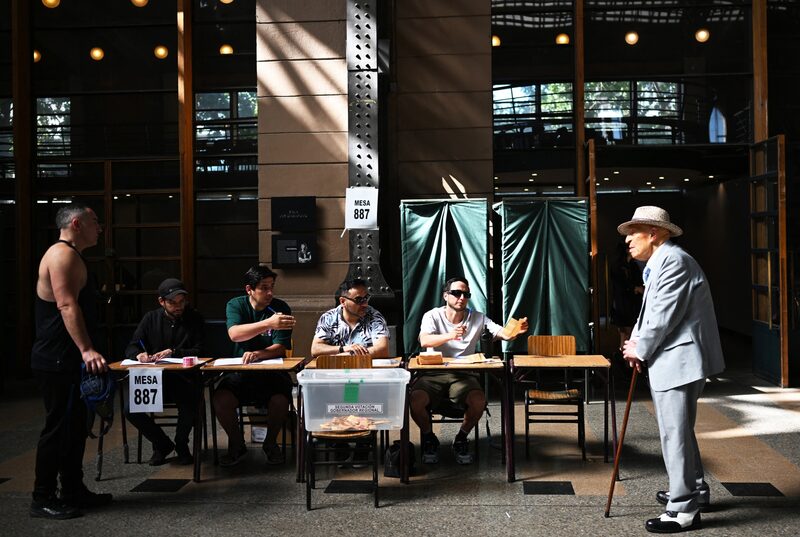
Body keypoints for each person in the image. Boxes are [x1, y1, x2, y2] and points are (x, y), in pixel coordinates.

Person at [618, 206, 725, 534]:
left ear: (653, 233)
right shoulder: (661, 262)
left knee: (674, 434)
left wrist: (640, 348)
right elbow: (648, 313)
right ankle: (694, 489)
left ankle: (682, 508)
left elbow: (664, 316)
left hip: (680, 361)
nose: (628, 242)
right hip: (674, 360)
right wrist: (636, 342)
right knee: (681, 431)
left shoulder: (674, 261)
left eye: (633, 234)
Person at [30, 202, 112, 519]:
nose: (100, 227)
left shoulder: (74, 256)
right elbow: (66, 306)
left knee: (76, 427)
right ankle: (42, 497)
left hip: (69, 360)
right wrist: (87, 350)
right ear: (77, 224)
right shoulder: (61, 255)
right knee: (58, 428)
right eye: (95, 221)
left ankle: (73, 490)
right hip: (57, 359)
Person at [412, 277, 528, 465]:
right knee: (415, 400)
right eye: (457, 293)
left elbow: (502, 333)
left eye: (466, 294)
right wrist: (451, 335)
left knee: (478, 400)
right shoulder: (432, 315)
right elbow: (424, 341)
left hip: (464, 374)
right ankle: (429, 437)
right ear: (445, 296)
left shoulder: (478, 317)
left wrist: (515, 331)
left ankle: (461, 438)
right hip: (434, 372)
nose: (461, 297)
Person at [212, 264, 296, 467]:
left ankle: (270, 444)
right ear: (249, 289)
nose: (270, 292)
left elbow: (280, 347)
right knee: (220, 399)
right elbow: (235, 334)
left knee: (280, 400)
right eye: (264, 288)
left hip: (271, 372)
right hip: (240, 373)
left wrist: (259, 354)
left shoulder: (280, 308)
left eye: (272, 287)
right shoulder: (236, 305)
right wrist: (268, 324)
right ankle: (237, 443)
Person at [123, 277, 204, 466]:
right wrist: (139, 355)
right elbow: (132, 346)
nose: (178, 306)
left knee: (190, 403)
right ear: (162, 302)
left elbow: (202, 349)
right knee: (130, 409)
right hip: (155, 379)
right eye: (173, 302)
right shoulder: (151, 318)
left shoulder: (194, 318)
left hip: (184, 378)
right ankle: (161, 444)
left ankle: (182, 444)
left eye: (182, 302)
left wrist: (174, 352)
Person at [311, 278, 389, 359]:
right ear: (343, 301)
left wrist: (348, 356)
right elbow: (315, 349)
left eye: (366, 298)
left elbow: (382, 350)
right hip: (335, 370)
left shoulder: (374, 317)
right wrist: (343, 349)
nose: (365, 304)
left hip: (365, 369)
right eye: (359, 300)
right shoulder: (328, 318)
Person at [610, 241, 644, 351]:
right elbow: (619, 284)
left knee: (631, 330)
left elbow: (639, 279)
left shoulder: (633, 265)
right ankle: (622, 356)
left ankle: (626, 357)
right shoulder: (618, 266)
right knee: (624, 331)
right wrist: (634, 288)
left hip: (633, 301)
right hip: (623, 301)